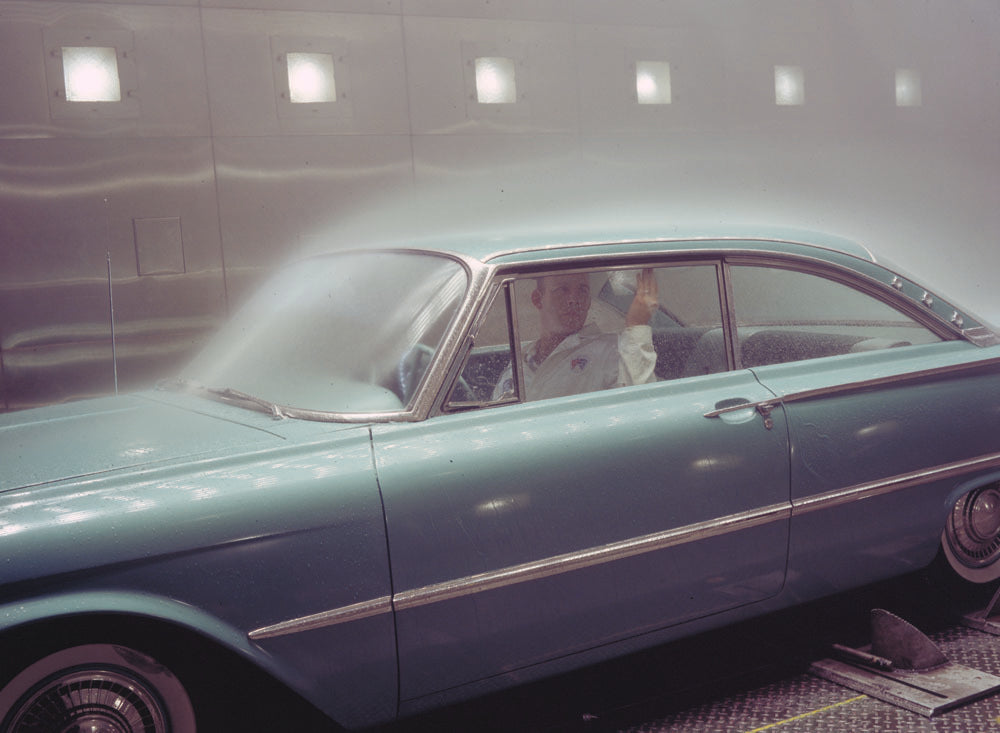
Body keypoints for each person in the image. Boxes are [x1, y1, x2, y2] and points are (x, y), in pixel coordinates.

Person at [493, 269, 658, 401]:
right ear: (537, 299)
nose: (574, 299)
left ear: (589, 302)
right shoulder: (521, 360)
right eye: (562, 290)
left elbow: (643, 403)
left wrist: (637, 325)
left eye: (582, 291)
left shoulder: (610, 350)